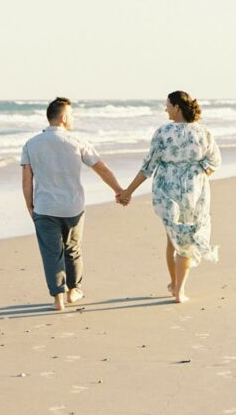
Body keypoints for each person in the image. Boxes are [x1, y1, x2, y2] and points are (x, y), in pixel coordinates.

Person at [21, 97, 124, 311]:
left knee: (51, 253)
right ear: (64, 117)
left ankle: (58, 298)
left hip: (45, 207)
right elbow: (101, 168)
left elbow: (26, 178)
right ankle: (73, 290)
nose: (73, 118)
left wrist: (29, 205)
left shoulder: (31, 144)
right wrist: (119, 191)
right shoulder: (77, 142)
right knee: (72, 250)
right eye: (72, 114)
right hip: (73, 208)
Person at [117, 90, 220, 303]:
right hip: (194, 191)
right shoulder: (203, 132)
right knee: (187, 237)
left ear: (176, 107)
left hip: (168, 190)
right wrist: (195, 174)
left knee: (172, 238)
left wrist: (128, 192)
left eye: (167, 105)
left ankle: (175, 285)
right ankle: (179, 289)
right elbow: (214, 162)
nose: (165, 109)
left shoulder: (163, 132)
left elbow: (148, 167)